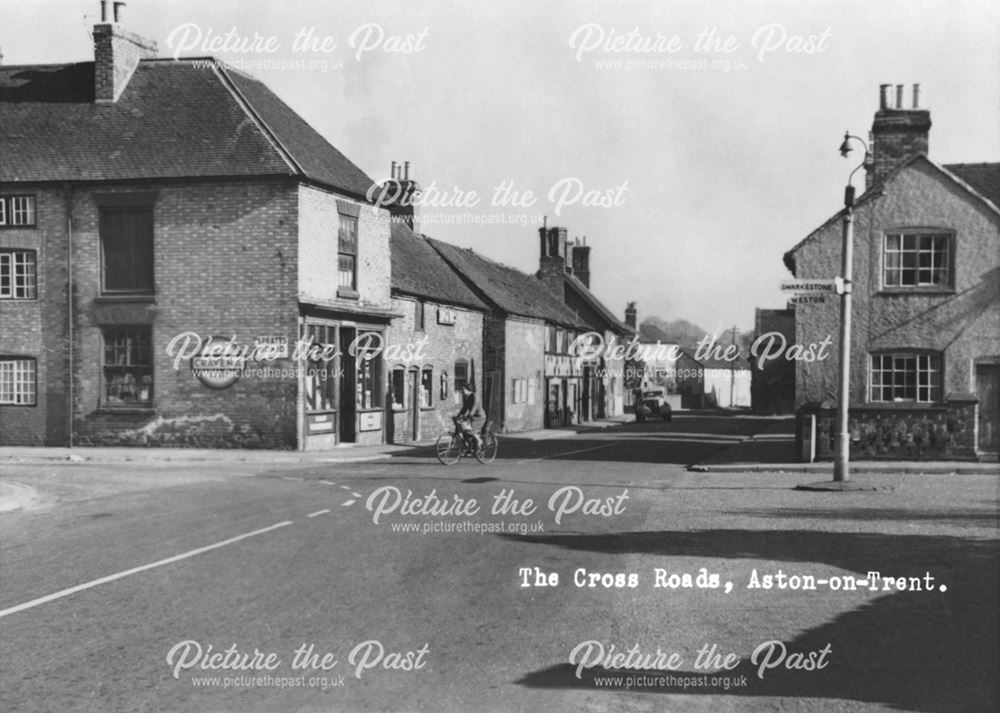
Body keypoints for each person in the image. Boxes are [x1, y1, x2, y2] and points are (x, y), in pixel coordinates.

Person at [456, 382, 483, 451]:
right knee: (464, 429)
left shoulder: (474, 396)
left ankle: (479, 440)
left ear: (468, 390)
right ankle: (469, 447)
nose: (463, 391)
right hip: (473, 417)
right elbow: (464, 408)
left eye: (464, 389)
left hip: (479, 417)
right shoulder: (466, 397)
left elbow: (475, 406)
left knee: (470, 429)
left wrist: (469, 415)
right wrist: (458, 416)